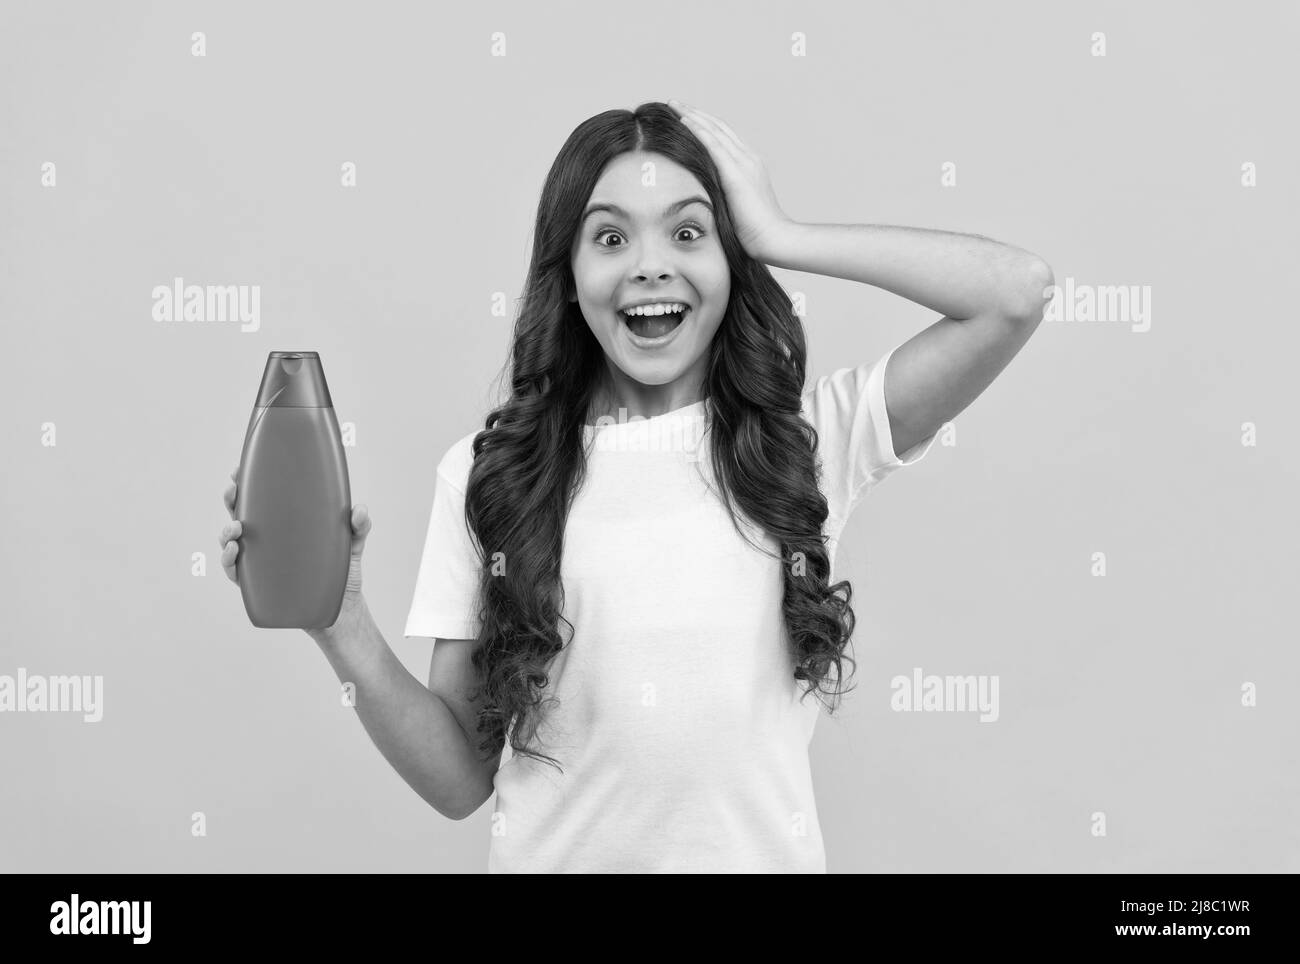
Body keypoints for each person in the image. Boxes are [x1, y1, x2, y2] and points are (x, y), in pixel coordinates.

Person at [220, 99, 1053, 873]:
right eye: (611, 239)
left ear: (733, 260)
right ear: (569, 272)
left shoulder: (808, 442)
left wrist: (782, 233)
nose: (651, 267)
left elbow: (1015, 294)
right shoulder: (491, 473)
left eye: (689, 235)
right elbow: (458, 781)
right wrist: (340, 624)